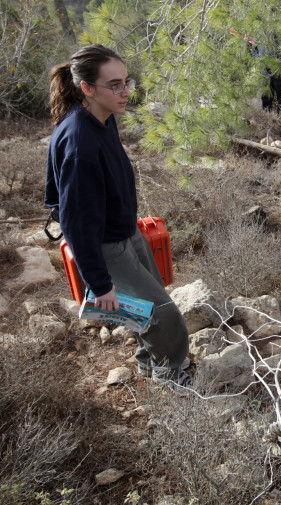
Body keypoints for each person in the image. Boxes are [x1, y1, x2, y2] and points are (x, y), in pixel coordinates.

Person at [44, 45, 191, 389]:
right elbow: (76, 221)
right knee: (163, 315)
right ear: (87, 88)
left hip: (126, 232)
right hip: (105, 245)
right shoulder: (80, 141)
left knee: (147, 307)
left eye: (127, 82)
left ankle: (149, 363)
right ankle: (169, 377)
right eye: (115, 85)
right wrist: (99, 282)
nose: (126, 92)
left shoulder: (102, 117)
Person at [252, 41, 281, 114]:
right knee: (265, 98)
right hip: (264, 70)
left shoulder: (279, 32)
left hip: (278, 70)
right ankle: (267, 119)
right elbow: (253, 49)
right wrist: (259, 59)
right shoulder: (259, 33)